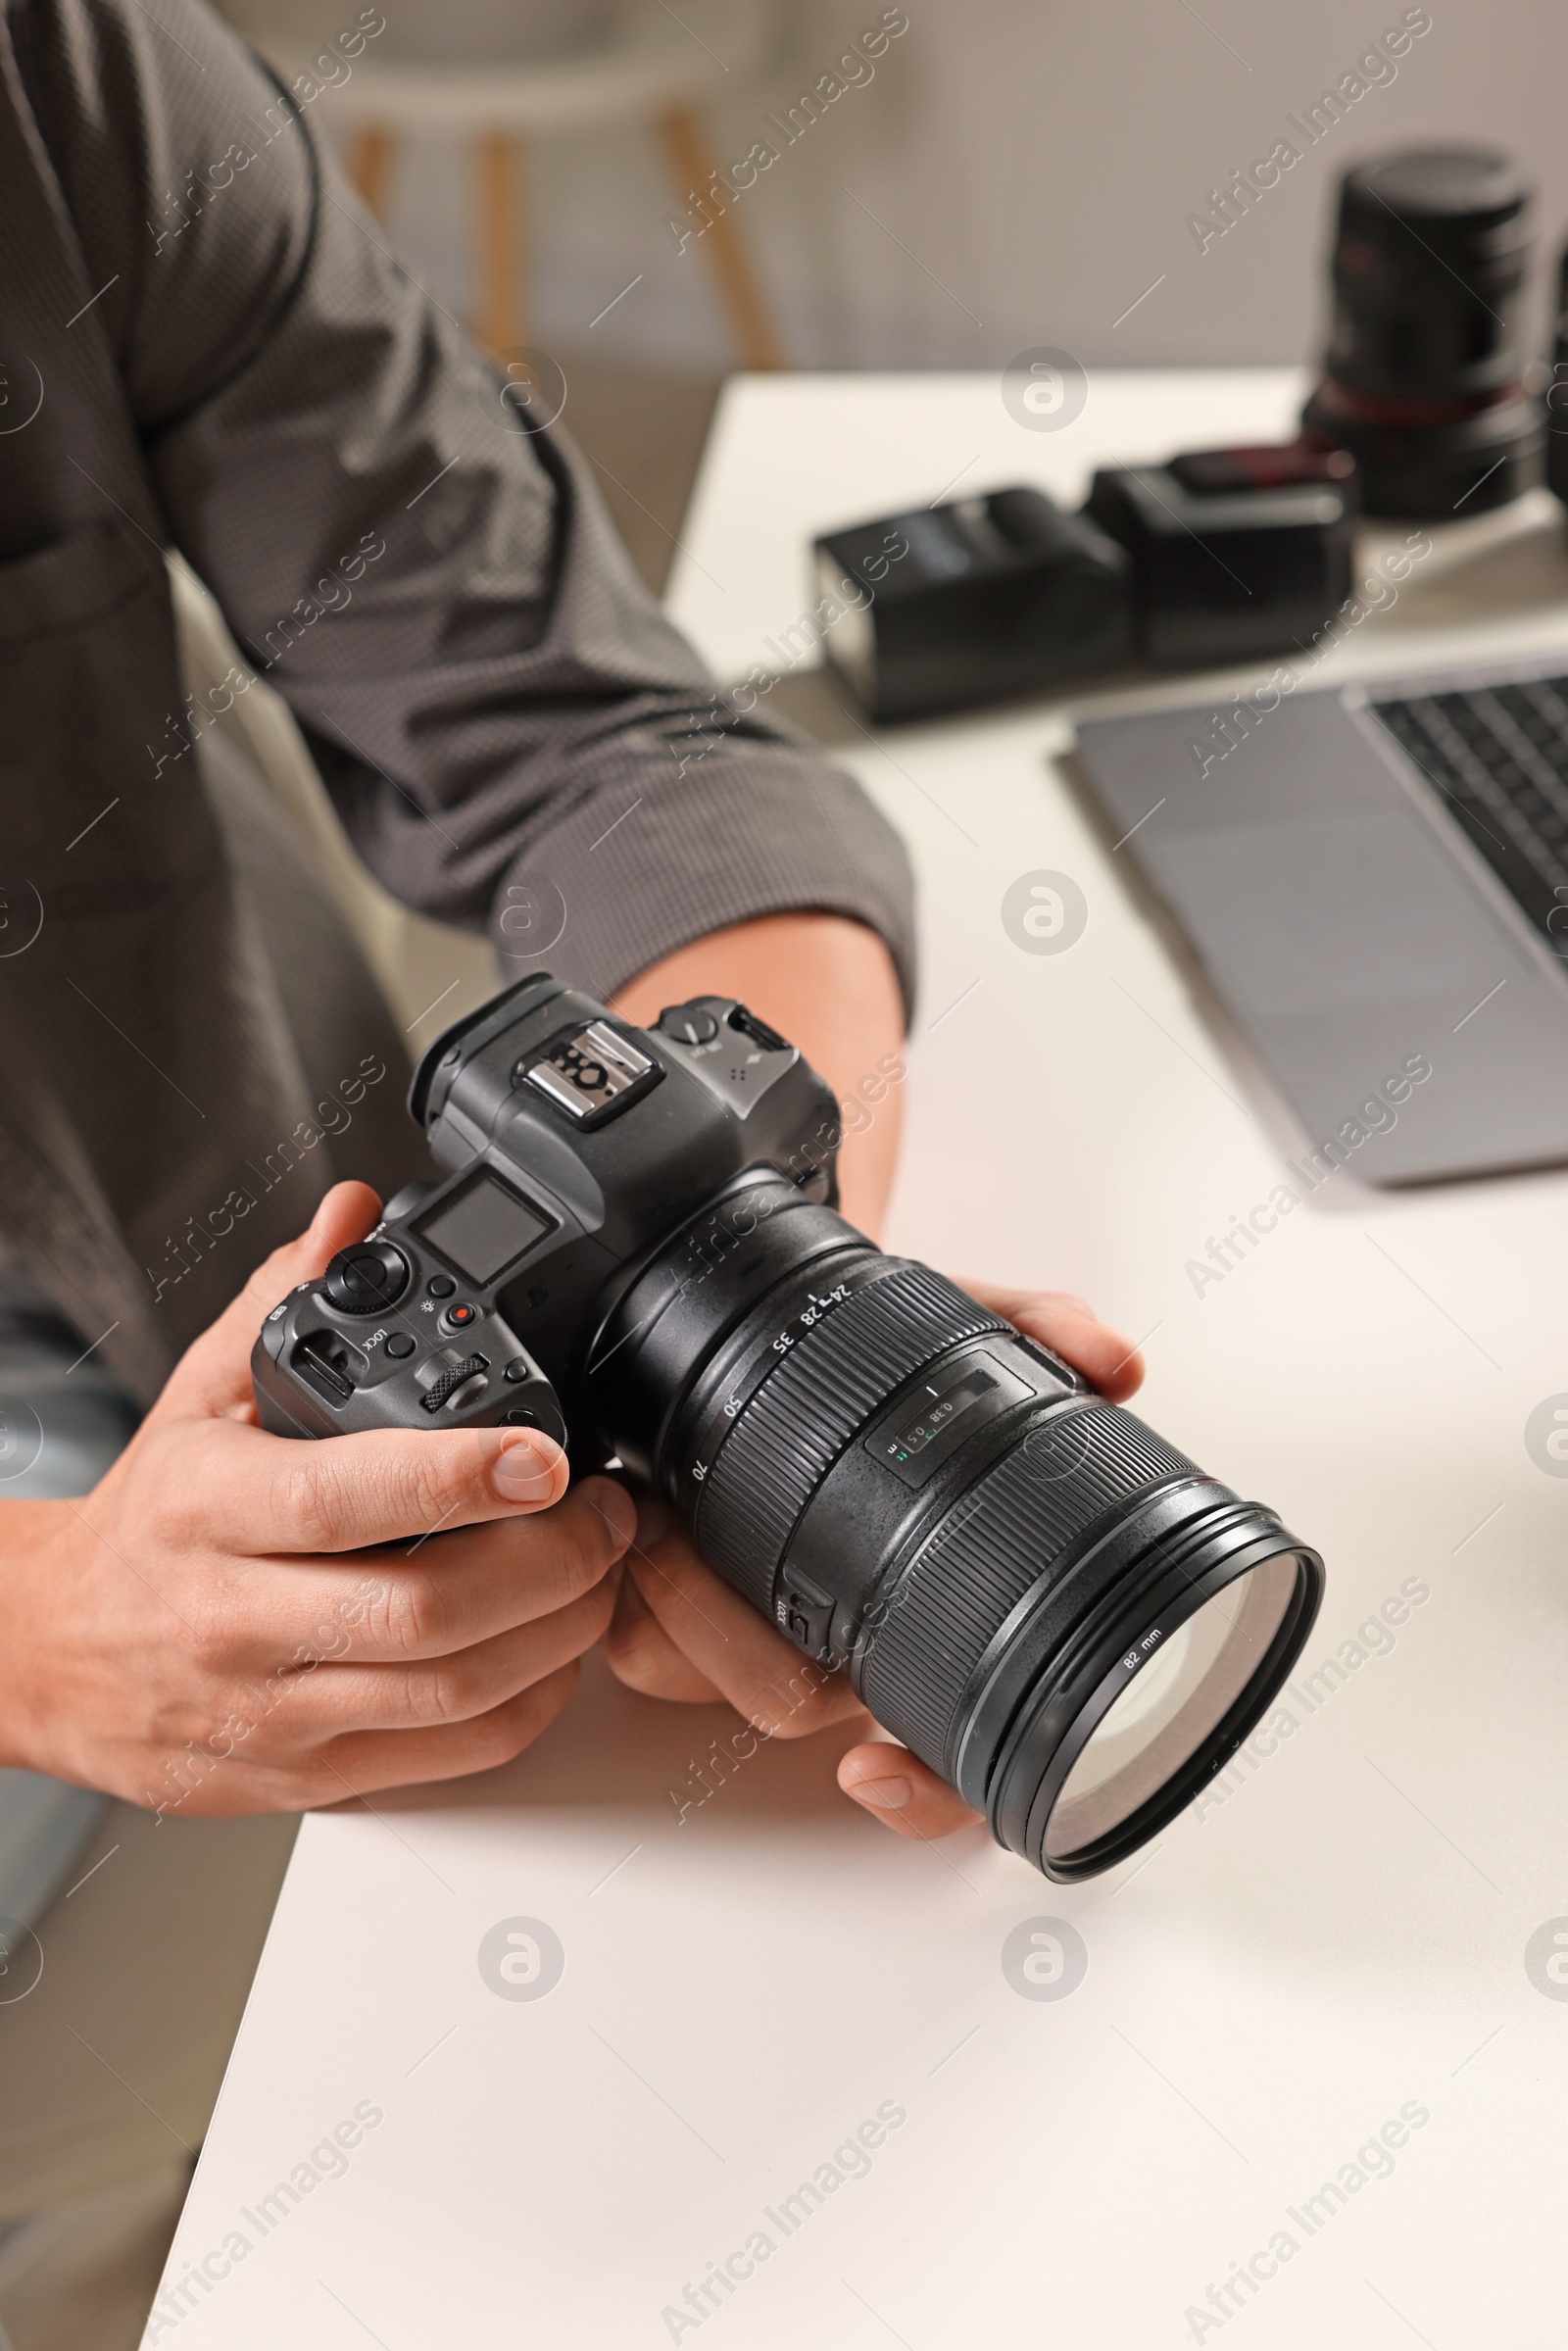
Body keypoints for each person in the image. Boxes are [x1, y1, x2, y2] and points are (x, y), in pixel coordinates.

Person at [0, 1, 1145, 2342]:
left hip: (200, 1222)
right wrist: (37, 1629)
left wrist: (746, 1260)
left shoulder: (55, 72)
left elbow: (586, 725)